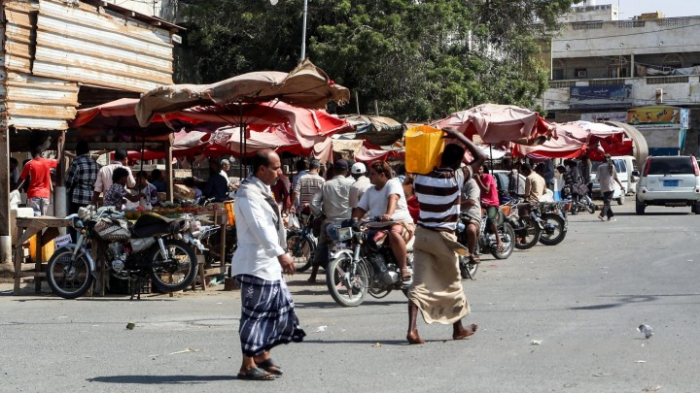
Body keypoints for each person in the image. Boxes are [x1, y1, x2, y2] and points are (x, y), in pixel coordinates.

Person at [231, 149, 305, 381]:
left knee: (275, 311)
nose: (280, 172)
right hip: (255, 264)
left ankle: (262, 355)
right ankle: (246, 365)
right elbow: (260, 228)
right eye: (275, 167)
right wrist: (281, 253)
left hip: (268, 264)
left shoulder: (262, 191)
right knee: (254, 315)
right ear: (261, 169)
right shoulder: (248, 195)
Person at [407, 128, 486, 345]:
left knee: (418, 284)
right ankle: (458, 328)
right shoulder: (456, 178)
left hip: (422, 235)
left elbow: (417, 165)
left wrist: (432, 148)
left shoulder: (420, 178)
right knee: (452, 283)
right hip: (443, 237)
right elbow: (481, 157)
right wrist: (459, 136)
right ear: (459, 162)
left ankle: (412, 330)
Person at [352, 161, 414, 281]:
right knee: (359, 237)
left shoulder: (392, 183)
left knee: (394, 233)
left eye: (373, 174)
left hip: (399, 223)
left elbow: (393, 198)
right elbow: (360, 209)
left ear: (382, 175)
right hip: (377, 225)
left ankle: (403, 268)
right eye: (370, 173)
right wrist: (354, 220)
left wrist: (388, 215)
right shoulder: (370, 190)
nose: (370, 176)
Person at [308, 160, 354, 283]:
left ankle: (313, 276)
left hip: (329, 223)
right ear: (347, 171)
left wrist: (320, 214)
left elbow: (313, 203)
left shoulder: (327, 185)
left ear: (333, 170)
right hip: (346, 223)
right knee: (349, 246)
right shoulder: (352, 183)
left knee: (321, 247)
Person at [17, 138, 64, 216]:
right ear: (41, 152)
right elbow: (58, 160)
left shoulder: (29, 164)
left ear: (32, 152)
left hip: (33, 195)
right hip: (45, 195)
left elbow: (21, 179)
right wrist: (58, 145)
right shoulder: (47, 162)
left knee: (35, 220)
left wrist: (14, 190)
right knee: (42, 220)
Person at [475, 165, 503, 253]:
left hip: (492, 203)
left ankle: (498, 239)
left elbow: (486, 190)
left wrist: (477, 179)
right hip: (481, 203)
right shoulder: (474, 179)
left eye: (480, 169)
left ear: (483, 170)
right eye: (477, 169)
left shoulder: (488, 177)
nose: (478, 171)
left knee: (491, 219)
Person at [65, 141, 99, 214]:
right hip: (91, 197)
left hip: (77, 198)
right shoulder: (95, 164)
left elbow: (68, 182)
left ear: (77, 151)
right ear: (87, 151)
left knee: (75, 221)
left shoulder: (76, 163)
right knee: (88, 221)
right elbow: (97, 182)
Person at [597, 154, 624, 222]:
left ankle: (610, 216)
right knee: (607, 203)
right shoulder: (612, 166)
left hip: (603, 187)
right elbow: (616, 177)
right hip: (611, 187)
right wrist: (621, 186)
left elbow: (598, 178)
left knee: (607, 202)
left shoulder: (600, 167)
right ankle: (602, 215)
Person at [462, 174, 481, 263]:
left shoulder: (472, 183)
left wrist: (454, 205)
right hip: (455, 213)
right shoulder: (452, 183)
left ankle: (471, 253)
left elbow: (471, 201)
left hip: (471, 213)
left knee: (471, 230)